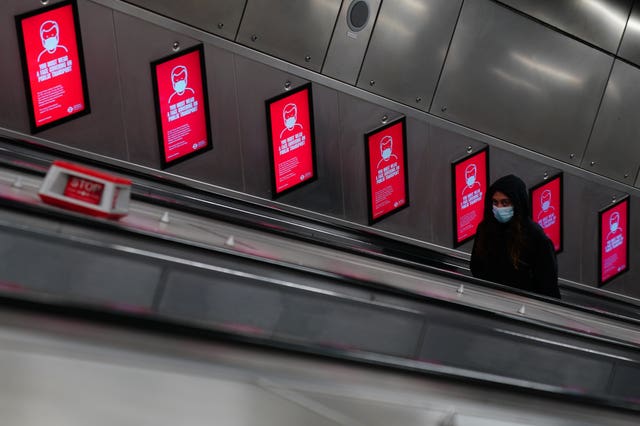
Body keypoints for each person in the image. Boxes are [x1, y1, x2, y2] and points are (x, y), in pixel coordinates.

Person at [471, 174, 561, 299]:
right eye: (495, 202)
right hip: (489, 299)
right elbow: (476, 267)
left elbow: (548, 285)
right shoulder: (485, 228)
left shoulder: (535, 237)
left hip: (524, 305)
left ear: (517, 203)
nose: (499, 208)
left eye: (505, 202)